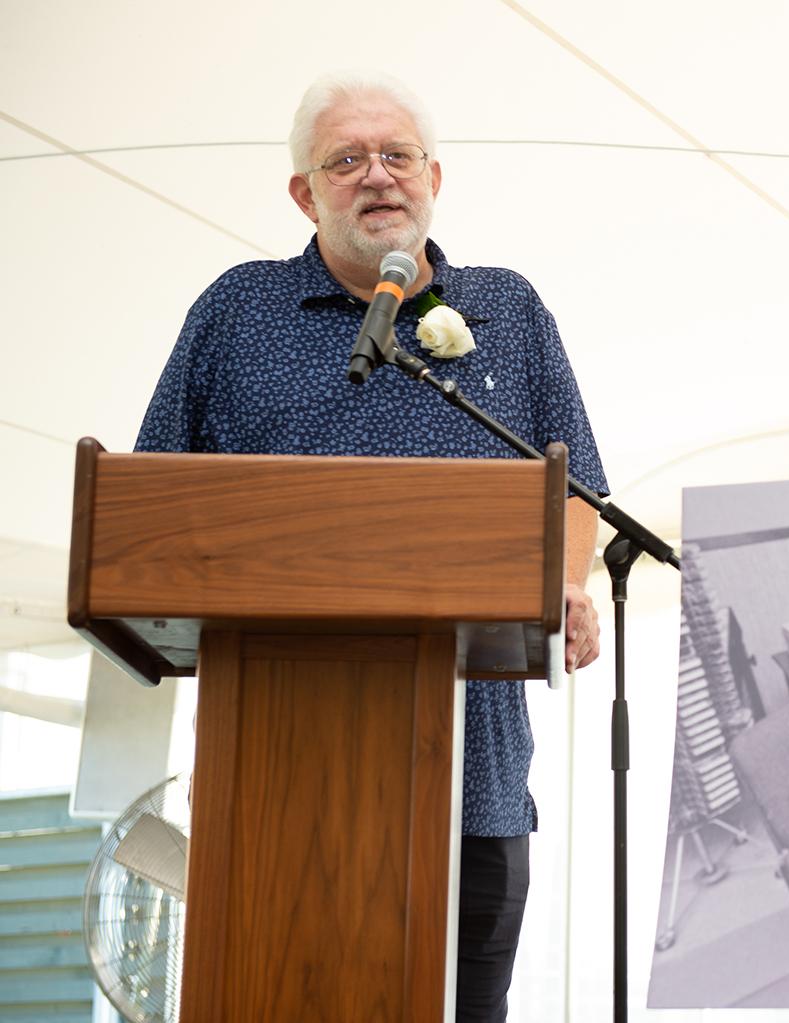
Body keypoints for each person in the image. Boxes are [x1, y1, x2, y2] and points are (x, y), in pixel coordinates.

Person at [133, 71, 605, 1022]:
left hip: (474, 777)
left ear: (435, 176)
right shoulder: (235, 311)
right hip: (273, 778)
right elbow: (153, 504)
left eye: (396, 156)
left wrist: (558, 585)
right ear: (305, 194)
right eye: (346, 159)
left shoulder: (509, 310)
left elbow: (576, 487)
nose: (377, 177)